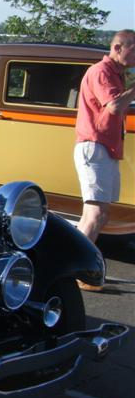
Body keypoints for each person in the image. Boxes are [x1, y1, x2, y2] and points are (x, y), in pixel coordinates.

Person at [74, 29, 135, 291]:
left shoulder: (116, 74)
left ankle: (74, 266)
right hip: (95, 147)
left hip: (104, 149)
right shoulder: (102, 72)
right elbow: (113, 106)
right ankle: (75, 271)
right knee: (96, 213)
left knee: (98, 214)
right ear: (119, 47)